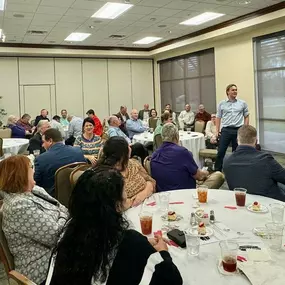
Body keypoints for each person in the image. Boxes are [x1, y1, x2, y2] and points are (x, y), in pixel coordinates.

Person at [46, 166, 182, 285]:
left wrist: (143, 243)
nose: (127, 195)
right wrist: (163, 252)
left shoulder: (70, 232)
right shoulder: (127, 241)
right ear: (116, 205)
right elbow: (172, 280)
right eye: (124, 192)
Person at [0, 155, 68, 285]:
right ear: (20, 173)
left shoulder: (35, 190)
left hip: (59, 253)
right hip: (43, 269)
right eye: (31, 167)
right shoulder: (17, 206)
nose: (34, 169)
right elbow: (55, 235)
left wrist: (61, 215)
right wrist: (63, 216)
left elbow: (62, 207)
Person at [151, 123, 224, 192]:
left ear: (162, 137)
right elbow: (199, 176)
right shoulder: (182, 152)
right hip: (186, 193)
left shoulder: (154, 155)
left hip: (163, 194)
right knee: (219, 176)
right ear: (177, 136)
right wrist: (206, 173)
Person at [224, 125, 285, 201]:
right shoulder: (265, 159)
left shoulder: (226, 160)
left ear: (237, 140)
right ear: (256, 141)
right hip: (269, 203)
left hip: (242, 201)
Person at [98, 137, 155, 207]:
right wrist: (132, 202)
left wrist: (144, 193)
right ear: (121, 154)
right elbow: (115, 206)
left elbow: (151, 181)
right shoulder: (107, 176)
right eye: (128, 147)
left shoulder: (133, 163)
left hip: (146, 206)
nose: (130, 148)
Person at [34, 129, 86, 195]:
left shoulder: (41, 159)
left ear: (50, 141)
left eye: (43, 142)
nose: (42, 145)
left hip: (53, 199)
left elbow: (36, 184)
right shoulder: (78, 151)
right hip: (78, 194)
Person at [215, 84, 249, 171]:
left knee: (237, 152)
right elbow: (218, 117)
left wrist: (245, 128)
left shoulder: (242, 103)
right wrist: (217, 131)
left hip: (238, 130)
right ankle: (217, 170)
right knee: (221, 151)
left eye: (236, 90)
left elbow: (246, 116)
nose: (235, 91)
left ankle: (236, 170)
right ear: (228, 91)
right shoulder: (222, 104)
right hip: (226, 130)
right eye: (233, 90)